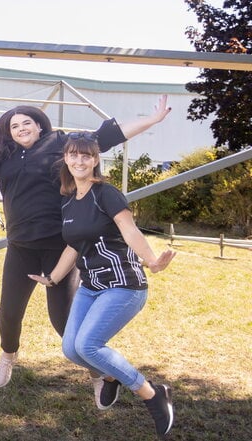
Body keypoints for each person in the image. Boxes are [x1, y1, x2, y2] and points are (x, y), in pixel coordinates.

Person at [0, 95, 171, 388]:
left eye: (26, 123)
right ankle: (8, 355)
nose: (20, 129)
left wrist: (152, 120)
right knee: (9, 311)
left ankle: (98, 374)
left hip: (61, 248)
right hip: (21, 247)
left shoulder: (60, 145)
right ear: (8, 132)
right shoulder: (1, 157)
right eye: (14, 126)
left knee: (63, 320)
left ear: (39, 126)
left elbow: (106, 136)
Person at [28, 132, 176, 438]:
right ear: (66, 159)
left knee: (88, 345)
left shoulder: (105, 193)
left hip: (123, 283)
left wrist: (150, 259)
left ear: (95, 160)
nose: (79, 161)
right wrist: (53, 278)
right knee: (71, 349)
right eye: (73, 155)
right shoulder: (69, 202)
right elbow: (73, 247)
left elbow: (129, 229)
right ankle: (111, 376)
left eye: (86, 156)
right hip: (90, 286)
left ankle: (153, 394)